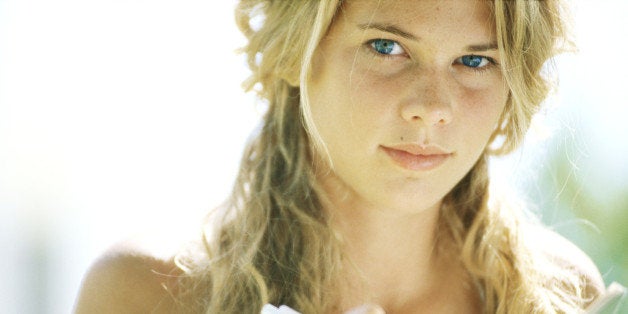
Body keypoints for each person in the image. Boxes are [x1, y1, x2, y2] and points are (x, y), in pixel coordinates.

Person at [74, 0, 624, 313]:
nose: (431, 108)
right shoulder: (152, 292)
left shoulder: (556, 295)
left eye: (474, 62)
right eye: (387, 47)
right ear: (297, 50)